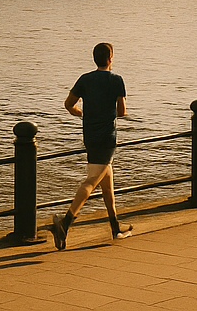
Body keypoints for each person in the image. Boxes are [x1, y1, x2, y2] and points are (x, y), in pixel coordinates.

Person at [50, 43, 130, 250]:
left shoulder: (85, 79)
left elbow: (68, 104)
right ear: (110, 58)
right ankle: (65, 223)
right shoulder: (117, 80)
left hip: (90, 136)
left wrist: (82, 113)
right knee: (93, 180)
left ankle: (115, 227)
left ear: (95, 59)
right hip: (107, 139)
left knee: (107, 182)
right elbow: (122, 112)